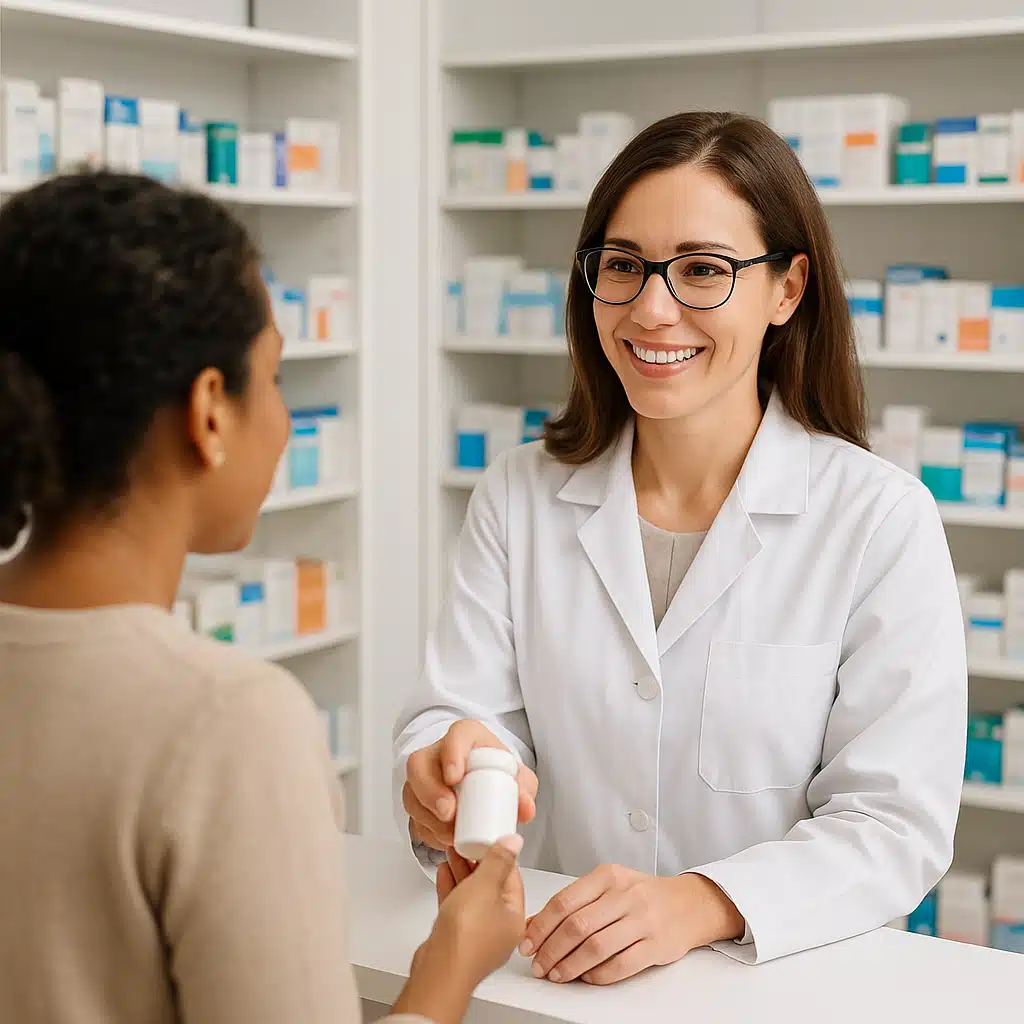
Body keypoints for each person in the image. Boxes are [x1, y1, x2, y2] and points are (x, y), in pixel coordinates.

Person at [395, 111, 967, 982]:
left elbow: (894, 825)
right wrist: (446, 768)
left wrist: (702, 901)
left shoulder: (879, 520)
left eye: (703, 269)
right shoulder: (520, 493)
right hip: (549, 983)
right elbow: (463, 717)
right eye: (622, 266)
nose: (651, 309)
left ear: (787, 289)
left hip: (773, 989)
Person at [0, 171, 525, 1024]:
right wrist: (451, 967)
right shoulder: (226, 723)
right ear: (210, 411)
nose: (282, 420)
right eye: (273, 378)